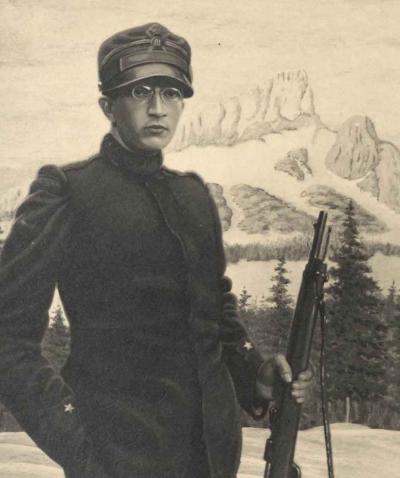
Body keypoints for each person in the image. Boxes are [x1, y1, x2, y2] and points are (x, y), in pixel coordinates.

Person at [0, 23, 312, 478]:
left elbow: (215, 313)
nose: (158, 108)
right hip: (117, 459)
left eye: (171, 92)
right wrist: (80, 448)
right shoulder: (67, 191)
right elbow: (7, 340)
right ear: (108, 105)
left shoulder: (194, 195)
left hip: (212, 457)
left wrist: (255, 375)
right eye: (139, 91)